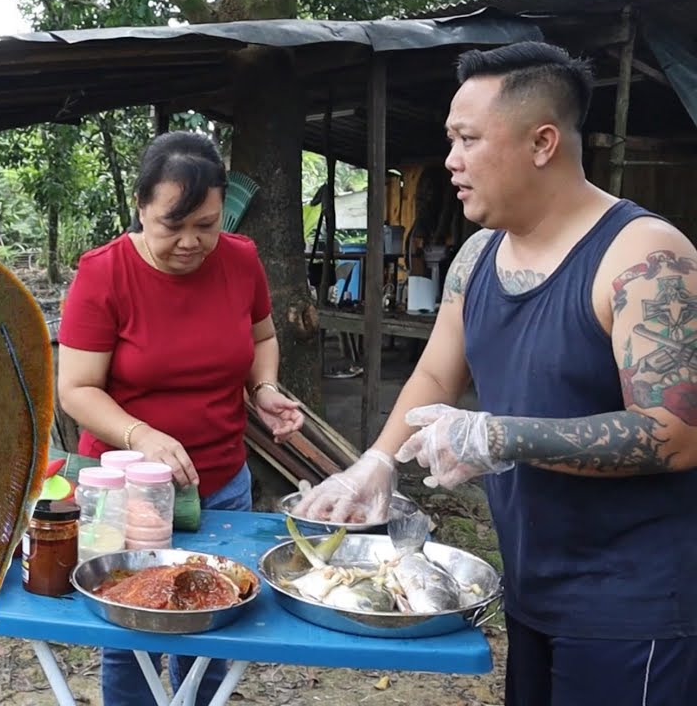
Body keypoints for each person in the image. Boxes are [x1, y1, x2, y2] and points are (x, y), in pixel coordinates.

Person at [295, 41, 697, 704]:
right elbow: (432, 381)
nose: (450, 161)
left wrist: (499, 436)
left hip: (636, 604)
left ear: (542, 142)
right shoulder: (477, 257)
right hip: (531, 587)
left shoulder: (645, 257)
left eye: (467, 139)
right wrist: (376, 463)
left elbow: (676, 432)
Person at [58, 131, 305, 706]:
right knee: (132, 637)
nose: (192, 242)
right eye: (173, 225)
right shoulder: (105, 274)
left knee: (215, 629)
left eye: (207, 224)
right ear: (141, 208)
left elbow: (262, 336)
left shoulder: (240, 260)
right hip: (127, 495)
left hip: (221, 485)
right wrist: (141, 435)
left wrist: (262, 388)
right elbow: (75, 389)